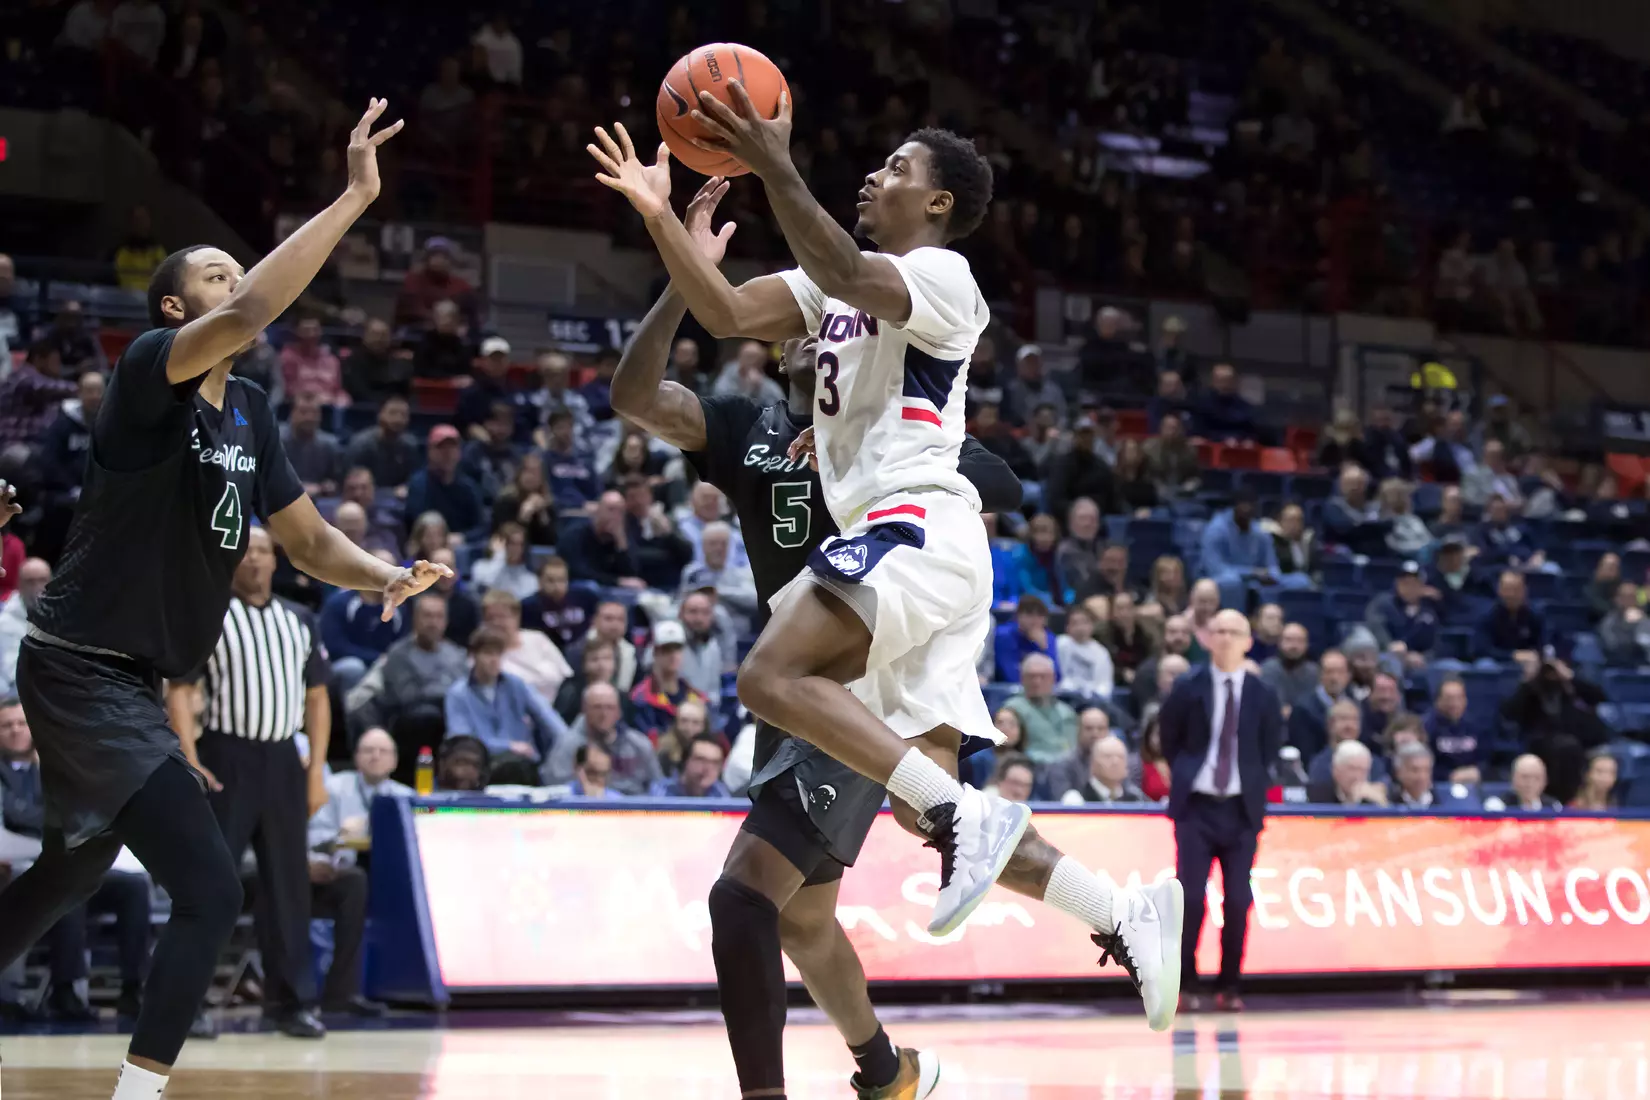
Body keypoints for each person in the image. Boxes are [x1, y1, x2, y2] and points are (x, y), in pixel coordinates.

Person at [602, 161, 1180, 1100]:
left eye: (897, 167)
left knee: (756, 875)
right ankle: (1112, 915)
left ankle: (956, 849)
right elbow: (701, 332)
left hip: (895, 567)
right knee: (842, 885)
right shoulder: (759, 422)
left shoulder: (928, 292)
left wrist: (772, 155)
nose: (874, 175)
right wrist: (671, 239)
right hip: (850, 630)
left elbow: (988, 473)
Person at [0, 102, 448, 1098]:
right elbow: (249, 317)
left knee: (70, 871)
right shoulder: (145, 372)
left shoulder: (249, 411)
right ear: (175, 309)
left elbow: (308, 540)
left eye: (236, 268)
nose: (235, 280)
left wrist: (383, 574)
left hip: (130, 679)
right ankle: (139, 1091)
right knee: (208, 886)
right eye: (215, 273)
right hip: (80, 664)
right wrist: (354, 198)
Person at [165, 525, 335, 1038]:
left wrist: (316, 771)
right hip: (226, 755)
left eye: (263, 551)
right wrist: (190, 758)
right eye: (245, 552)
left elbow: (317, 698)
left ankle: (292, 1003)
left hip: (283, 759)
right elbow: (180, 690)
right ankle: (184, 1002)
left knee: (289, 887)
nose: (255, 559)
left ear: (276, 560)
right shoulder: (210, 614)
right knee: (210, 882)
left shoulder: (300, 619)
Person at [1159, 609, 1283, 1013]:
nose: (1226, 638)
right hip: (1196, 808)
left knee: (1238, 900)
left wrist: (1248, 782)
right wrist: (1188, 773)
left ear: (1249, 641)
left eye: (1235, 631)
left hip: (1241, 810)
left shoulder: (1263, 694)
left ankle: (1230, 985)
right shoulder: (1187, 686)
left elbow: (1268, 749)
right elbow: (1169, 738)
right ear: (1208, 639)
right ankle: (1185, 983)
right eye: (1220, 631)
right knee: (1191, 898)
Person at [305, 728, 408, 1016]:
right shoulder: (334, 787)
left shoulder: (405, 796)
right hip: (337, 873)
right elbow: (312, 838)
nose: (376, 756)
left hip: (390, 879)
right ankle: (342, 993)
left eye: (383, 751)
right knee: (356, 883)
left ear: (395, 760)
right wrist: (339, 836)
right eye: (368, 750)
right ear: (356, 757)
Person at [443, 625, 567, 762]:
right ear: (473, 656)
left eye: (498, 654)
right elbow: (461, 740)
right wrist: (508, 746)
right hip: (479, 763)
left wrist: (569, 745)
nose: (494, 660)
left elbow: (548, 717)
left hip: (521, 762)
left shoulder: (516, 685)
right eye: (488, 653)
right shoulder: (458, 693)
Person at [543, 682, 659, 794]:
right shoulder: (568, 745)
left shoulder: (638, 744)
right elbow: (554, 786)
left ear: (619, 711)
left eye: (610, 707)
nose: (604, 714)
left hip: (635, 805)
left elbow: (658, 786)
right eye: (597, 707)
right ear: (584, 709)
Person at [1041, 706, 1117, 801]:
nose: (1095, 734)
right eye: (1089, 728)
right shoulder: (1062, 766)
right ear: (1078, 731)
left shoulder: (1117, 763)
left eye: (1100, 729)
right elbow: (1063, 803)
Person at [1065, 734, 1147, 804]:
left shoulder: (1136, 799)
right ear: (1092, 764)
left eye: (1120, 757)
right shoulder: (1077, 800)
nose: (1115, 762)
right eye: (1107, 756)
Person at [1305, 741, 1389, 806]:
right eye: (1352, 769)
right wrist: (1352, 803)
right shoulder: (1316, 795)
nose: (1357, 776)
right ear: (1336, 770)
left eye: (1363, 770)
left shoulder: (1372, 797)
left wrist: (1381, 804)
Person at [650, 733, 731, 797]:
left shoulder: (721, 794)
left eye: (714, 763)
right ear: (686, 761)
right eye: (700, 760)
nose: (707, 768)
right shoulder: (661, 791)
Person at [1387, 741, 1437, 809]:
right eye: (1415, 770)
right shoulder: (1388, 802)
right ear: (1398, 772)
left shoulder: (1443, 800)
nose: (1422, 776)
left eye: (1426, 770)